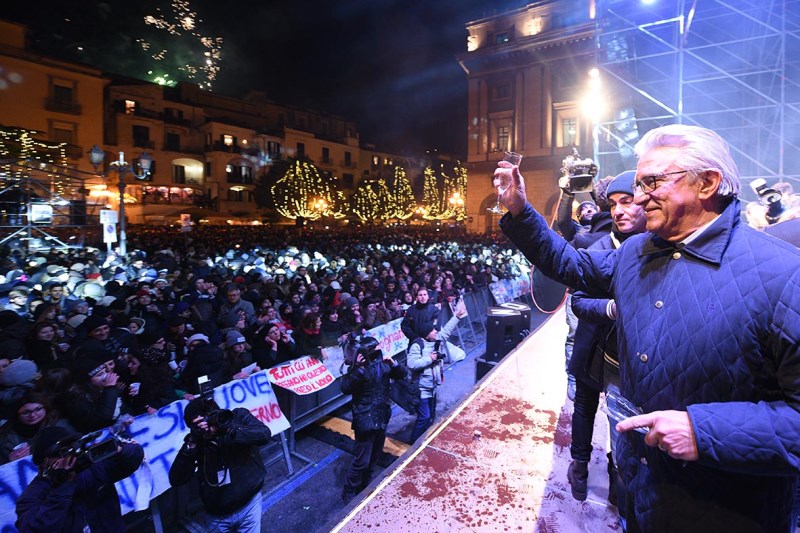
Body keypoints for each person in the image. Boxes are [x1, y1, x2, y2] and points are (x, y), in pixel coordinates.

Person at [495, 124, 800, 531]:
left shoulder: (784, 275)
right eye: (639, 184)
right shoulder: (637, 251)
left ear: (707, 183)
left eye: (652, 182)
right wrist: (520, 211)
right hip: (643, 494)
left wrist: (705, 432)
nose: (638, 198)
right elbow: (571, 265)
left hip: (730, 513)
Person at [566, 170, 645, 513]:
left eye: (626, 202)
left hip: (626, 356)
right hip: (591, 346)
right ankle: (579, 467)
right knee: (584, 409)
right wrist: (611, 308)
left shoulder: (654, 247)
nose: (618, 211)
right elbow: (578, 301)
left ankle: (617, 477)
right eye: (613, 204)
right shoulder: (594, 246)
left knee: (621, 420)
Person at [169, 397, 271, 532]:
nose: (206, 426)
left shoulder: (237, 417)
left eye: (207, 420)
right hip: (217, 515)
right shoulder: (197, 440)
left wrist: (229, 430)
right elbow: (176, 478)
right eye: (199, 424)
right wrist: (193, 442)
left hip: (249, 504)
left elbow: (264, 435)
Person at [16, 425, 143, 532]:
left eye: (72, 449)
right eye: (61, 453)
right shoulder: (32, 494)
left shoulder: (92, 468)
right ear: (44, 462)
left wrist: (117, 449)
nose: (69, 456)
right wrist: (64, 485)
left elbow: (134, 459)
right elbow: (35, 529)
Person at [339, 334, 408, 503]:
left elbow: (402, 374)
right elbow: (345, 388)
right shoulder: (357, 369)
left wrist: (394, 364)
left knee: (375, 456)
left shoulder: (383, 364)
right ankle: (349, 490)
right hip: (365, 419)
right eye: (373, 349)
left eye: (377, 348)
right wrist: (358, 369)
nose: (377, 351)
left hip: (381, 416)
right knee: (362, 460)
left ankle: (366, 484)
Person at [406, 304, 467, 442]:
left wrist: (457, 316)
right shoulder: (417, 345)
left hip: (433, 387)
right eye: (433, 330)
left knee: (431, 417)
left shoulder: (436, 341)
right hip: (421, 389)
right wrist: (430, 359)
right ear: (426, 334)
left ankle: (425, 439)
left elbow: (447, 330)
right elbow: (411, 363)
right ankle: (413, 443)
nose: (436, 332)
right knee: (424, 417)